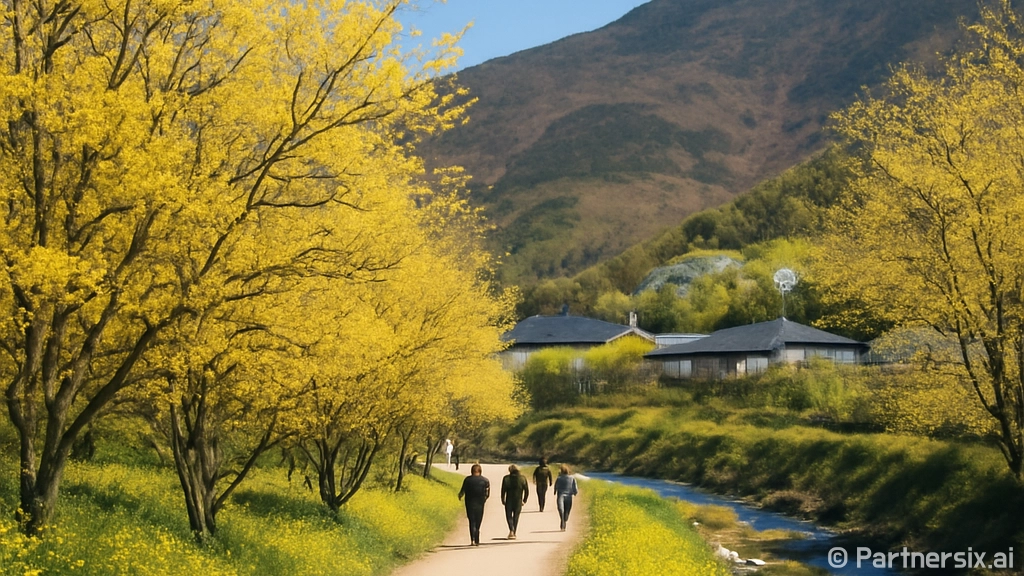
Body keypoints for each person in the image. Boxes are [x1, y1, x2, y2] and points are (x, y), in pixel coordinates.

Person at [458, 464, 489, 546]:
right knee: (478, 521)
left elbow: (462, 491)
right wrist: (484, 499)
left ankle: (472, 540)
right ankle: (477, 539)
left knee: (471, 521)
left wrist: (460, 495)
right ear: (480, 471)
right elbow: (487, 494)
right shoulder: (485, 481)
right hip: (480, 503)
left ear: (472, 471)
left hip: (469, 502)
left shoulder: (467, 480)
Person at [500, 464, 529, 539]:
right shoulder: (522, 478)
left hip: (509, 500)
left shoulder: (506, 478)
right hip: (518, 500)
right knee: (516, 516)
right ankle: (513, 532)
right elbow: (526, 491)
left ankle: (511, 530)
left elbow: (503, 490)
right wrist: (524, 500)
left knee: (508, 516)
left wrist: (503, 499)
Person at [553, 464, 578, 531]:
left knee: (563, 509)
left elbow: (556, 485)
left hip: (565, 495)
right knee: (564, 509)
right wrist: (575, 492)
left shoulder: (570, 478)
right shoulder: (561, 478)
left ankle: (564, 519)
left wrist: (555, 491)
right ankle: (563, 520)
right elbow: (574, 486)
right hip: (565, 495)